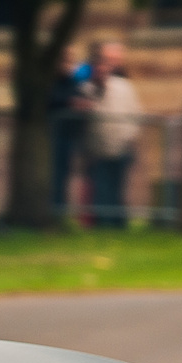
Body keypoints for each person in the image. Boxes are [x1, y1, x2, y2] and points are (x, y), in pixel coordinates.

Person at [83, 41, 141, 229]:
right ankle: (103, 223)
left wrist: (129, 137)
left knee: (118, 187)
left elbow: (135, 113)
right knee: (101, 187)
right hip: (98, 148)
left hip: (121, 146)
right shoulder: (87, 89)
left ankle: (117, 223)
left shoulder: (123, 86)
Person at [50, 45, 87, 216]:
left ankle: (60, 210)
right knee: (53, 175)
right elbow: (52, 98)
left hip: (67, 135)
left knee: (64, 175)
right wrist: (70, 102)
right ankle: (53, 210)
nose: (68, 65)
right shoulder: (50, 80)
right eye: (65, 60)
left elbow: (80, 95)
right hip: (52, 136)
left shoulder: (74, 81)